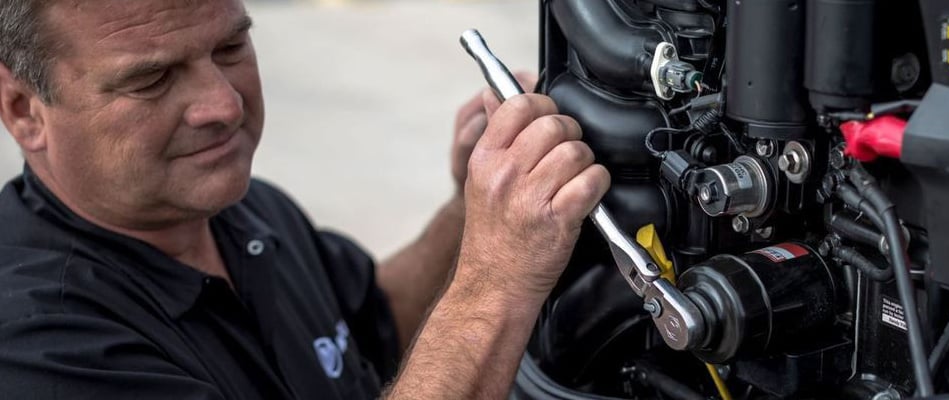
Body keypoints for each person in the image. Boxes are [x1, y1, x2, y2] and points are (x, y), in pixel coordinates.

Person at [0, 0, 609, 399]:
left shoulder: (231, 207)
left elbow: (370, 325)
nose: (224, 106)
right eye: (151, 79)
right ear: (24, 110)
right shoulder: (41, 350)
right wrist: (497, 277)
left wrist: (469, 209)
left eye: (230, 49)